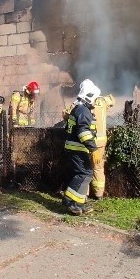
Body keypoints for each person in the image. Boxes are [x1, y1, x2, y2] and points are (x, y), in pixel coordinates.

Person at [62, 79, 100, 215]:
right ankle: (70, 201)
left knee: (83, 174)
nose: (96, 102)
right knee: (84, 173)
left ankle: (78, 203)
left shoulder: (78, 109)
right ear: (89, 97)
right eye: (95, 99)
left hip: (75, 148)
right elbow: (83, 131)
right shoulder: (83, 111)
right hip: (77, 148)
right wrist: (93, 148)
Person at [89, 94, 115, 199]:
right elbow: (112, 100)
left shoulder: (83, 101)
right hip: (100, 142)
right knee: (98, 167)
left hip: (87, 140)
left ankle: (84, 194)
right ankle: (98, 194)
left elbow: (66, 113)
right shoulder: (103, 101)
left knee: (85, 167)